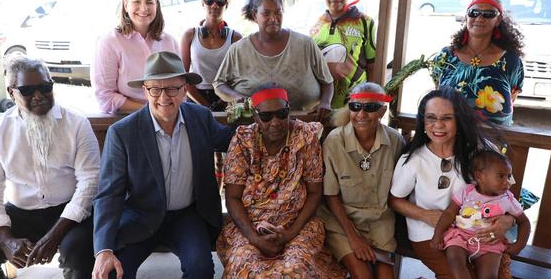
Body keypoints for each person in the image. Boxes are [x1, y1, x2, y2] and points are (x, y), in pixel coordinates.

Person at [91, 51, 235, 279]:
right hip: (140, 216)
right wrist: (104, 249)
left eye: (172, 89)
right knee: (113, 273)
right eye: (155, 89)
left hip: (187, 216)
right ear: (144, 90)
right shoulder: (122, 133)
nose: (163, 97)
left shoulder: (201, 118)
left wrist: (267, 119)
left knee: (201, 270)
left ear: (185, 89)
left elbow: (233, 142)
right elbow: (109, 194)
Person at [0, 56, 100, 279]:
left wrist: (55, 235)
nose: (38, 95)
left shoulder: (76, 123)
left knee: (78, 252)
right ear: (11, 92)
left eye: (45, 87)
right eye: (27, 90)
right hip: (20, 214)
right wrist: (5, 239)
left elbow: (91, 181)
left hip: (70, 214)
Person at [216, 85, 347, 278]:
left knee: (296, 269)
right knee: (245, 268)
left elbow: (314, 192)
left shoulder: (305, 137)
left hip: (297, 224)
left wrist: (290, 233)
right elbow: (233, 198)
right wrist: (255, 239)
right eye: (267, 116)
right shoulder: (244, 140)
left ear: (288, 111)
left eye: (281, 113)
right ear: (255, 116)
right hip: (250, 226)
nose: (275, 122)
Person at [389, 87, 516, 279]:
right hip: (429, 234)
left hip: (477, 231)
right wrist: (425, 215)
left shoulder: (484, 153)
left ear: (460, 120)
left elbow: (506, 194)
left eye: (447, 118)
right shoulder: (413, 159)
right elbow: (394, 200)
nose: (438, 125)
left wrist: (508, 220)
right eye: (431, 118)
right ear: (423, 121)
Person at [318, 82, 405, 279]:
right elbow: (331, 197)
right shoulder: (334, 142)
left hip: (379, 224)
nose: (361, 114)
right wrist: (354, 238)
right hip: (343, 224)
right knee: (363, 275)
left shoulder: (395, 142)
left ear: (382, 111)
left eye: (370, 108)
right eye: (356, 107)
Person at [213, 0, 334, 122]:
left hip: (305, 123)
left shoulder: (305, 44)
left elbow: (327, 82)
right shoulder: (238, 50)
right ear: (254, 15)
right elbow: (219, 83)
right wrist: (235, 96)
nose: (273, 18)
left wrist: (325, 102)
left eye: (278, 12)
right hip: (254, 126)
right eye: (266, 13)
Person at [430, 150, 530, 279]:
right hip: (461, 237)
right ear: (479, 176)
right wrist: (437, 235)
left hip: (490, 243)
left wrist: (519, 245)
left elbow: (524, 222)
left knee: (489, 276)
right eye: (501, 176)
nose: (507, 182)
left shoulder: (507, 199)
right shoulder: (467, 192)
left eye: (508, 176)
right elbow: (449, 213)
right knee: (455, 259)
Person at [430, 0, 524, 126]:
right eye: (473, 13)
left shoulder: (510, 60)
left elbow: (512, 97)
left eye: (488, 14)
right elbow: (437, 89)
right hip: (450, 138)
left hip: (493, 140)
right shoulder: (446, 56)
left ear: (498, 20)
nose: (479, 18)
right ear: (466, 17)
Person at [92, 0, 180, 114]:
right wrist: (151, 111)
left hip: (169, 117)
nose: (144, 8)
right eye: (136, 1)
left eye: (149, 2)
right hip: (128, 120)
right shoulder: (109, 42)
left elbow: (180, 87)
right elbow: (105, 96)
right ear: (125, 5)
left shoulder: (169, 41)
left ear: (157, 6)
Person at [311, 0, 377, 109]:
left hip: (354, 105)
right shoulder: (316, 26)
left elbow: (373, 65)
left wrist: (370, 99)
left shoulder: (364, 22)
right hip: (323, 106)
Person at [180, 0, 242, 111]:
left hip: (227, 97)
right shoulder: (189, 35)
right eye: (209, 0)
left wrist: (224, 102)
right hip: (195, 97)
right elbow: (183, 76)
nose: (214, 5)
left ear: (226, 4)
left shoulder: (235, 38)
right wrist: (205, 106)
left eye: (220, 1)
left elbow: (239, 77)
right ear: (202, 3)